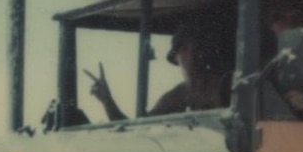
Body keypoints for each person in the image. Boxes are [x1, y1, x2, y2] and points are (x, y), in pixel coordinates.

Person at [86, 23, 229, 121]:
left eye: (197, 47)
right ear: (176, 57)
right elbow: (138, 132)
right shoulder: (177, 95)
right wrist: (107, 101)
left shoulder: (226, 84)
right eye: (184, 48)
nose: (192, 53)